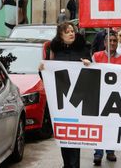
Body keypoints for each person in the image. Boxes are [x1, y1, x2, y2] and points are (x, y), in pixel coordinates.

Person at [38, 21, 92, 168]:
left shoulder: (82, 49)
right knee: (64, 139)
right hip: (61, 104)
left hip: (77, 102)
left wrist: (89, 64)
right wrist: (42, 69)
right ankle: (67, 164)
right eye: (67, 31)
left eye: (72, 31)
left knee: (74, 140)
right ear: (61, 36)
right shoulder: (56, 52)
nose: (71, 33)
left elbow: (93, 74)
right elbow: (50, 78)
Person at [92, 31, 121, 165]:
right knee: (99, 125)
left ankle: (110, 151)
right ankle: (98, 153)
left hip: (116, 98)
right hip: (100, 97)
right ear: (104, 43)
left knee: (112, 125)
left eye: (114, 40)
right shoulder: (96, 57)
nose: (112, 43)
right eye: (110, 40)